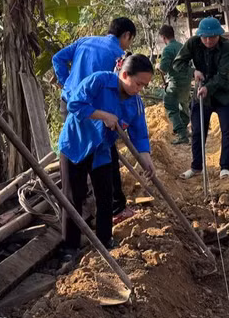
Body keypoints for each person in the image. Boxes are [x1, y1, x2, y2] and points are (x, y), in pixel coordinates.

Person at [57, 55, 156, 262]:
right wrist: (103, 115)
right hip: (77, 143)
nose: (140, 89)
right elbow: (74, 104)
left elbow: (139, 134)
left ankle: (105, 240)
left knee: (105, 195)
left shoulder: (136, 104)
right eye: (138, 84)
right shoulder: (99, 81)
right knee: (74, 196)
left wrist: (146, 157)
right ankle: (70, 247)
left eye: (144, 86)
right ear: (125, 74)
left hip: (102, 149)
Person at [52, 18, 136, 222]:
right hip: (95, 110)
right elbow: (117, 89)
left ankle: (82, 206)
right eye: (130, 40)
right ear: (126, 35)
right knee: (105, 153)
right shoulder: (119, 56)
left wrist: (66, 83)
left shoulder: (84, 41)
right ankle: (115, 206)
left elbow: (57, 58)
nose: (128, 45)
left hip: (69, 103)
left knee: (78, 150)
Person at [174, 17, 229, 179]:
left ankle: (226, 166)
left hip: (223, 95)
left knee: (226, 130)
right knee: (197, 131)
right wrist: (192, 71)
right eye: (205, 37)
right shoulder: (193, 43)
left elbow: (223, 75)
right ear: (200, 35)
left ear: (219, 35)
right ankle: (196, 167)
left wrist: (208, 87)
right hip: (200, 95)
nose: (208, 41)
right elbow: (178, 63)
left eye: (212, 37)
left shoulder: (227, 46)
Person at [158, 25, 193, 144]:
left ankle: (182, 134)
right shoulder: (182, 46)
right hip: (186, 82)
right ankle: (185, 129)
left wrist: (158, 66)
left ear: (163, 37)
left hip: (176, 82)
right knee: (184, 105)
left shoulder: (168, 49)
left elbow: (163, 68)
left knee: (170, 105)